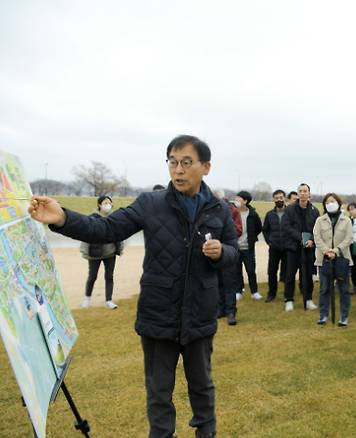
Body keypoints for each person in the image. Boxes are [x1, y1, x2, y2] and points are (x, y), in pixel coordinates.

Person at [28, 135, 238, 437]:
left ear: (206, 167)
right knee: (158, 393)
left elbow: (233, 250)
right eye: (172, 162)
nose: (177, 170)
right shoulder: (151, 204)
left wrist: (222, 253)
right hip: (158, 316)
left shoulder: (218, 210)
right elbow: (106, 228)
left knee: (202, 388)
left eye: (186, 163)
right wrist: (62, 218)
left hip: (200, 317)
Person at [313, 193, 353, 326]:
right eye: (327, 202)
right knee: (324, 289)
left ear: (338, 203)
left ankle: (344, 316)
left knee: (344, 289)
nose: (330, 204)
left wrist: (336, 251)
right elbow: (317, 237)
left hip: (342, 258)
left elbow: (348, 238)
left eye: (333, 201)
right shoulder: (320, 220)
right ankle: (323, 315)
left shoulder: (346, 220)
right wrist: (326, 251)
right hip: (324, 259)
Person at [79, 195, 123, 309]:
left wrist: (120, 249)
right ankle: (87, 299)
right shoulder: (92, 218)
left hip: (110, 253)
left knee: (109, 277)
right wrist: (85, 251)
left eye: (109, 203)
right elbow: (86, 235)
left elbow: (120, 234)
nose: (107, 205)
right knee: (92, 276)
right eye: (105, 203)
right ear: (99, 205)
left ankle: (109, 301)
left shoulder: (114, 218)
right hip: (94, 254)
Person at [282, 183, 320, 311]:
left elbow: (317, 229)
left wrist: (311, 240)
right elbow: (286, 227)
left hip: (309, 248)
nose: (303, 193)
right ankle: (289, 299)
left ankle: (308, 299)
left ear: (309, 193)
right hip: (293, 247)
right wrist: (300, 238)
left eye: (305, 191)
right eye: (300, 191)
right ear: (297, 193)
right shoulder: (290, 209)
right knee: (290, 275)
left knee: (308, 275)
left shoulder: (315, 211)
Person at [214, 189, 242, 326]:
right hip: (215, 252)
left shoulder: (233, 211)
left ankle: (231, 311)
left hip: (229, 251)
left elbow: (238, 230)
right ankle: (221, 309)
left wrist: (223, 231)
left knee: (229, 283)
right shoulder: (210, 211)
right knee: (217, 282)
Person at [234, 190, 263, 301]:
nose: (236, 200)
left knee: (251, 270)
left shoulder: (252, 214)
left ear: (245, 201)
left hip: (248, 248)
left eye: (239, 198)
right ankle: (238, 291)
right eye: (236, 198)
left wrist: (251, 237)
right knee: (237, 271)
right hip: (235, 247)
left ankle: (254, 292)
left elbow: (259, 227)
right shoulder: (233, 212)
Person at [263, 189, 288, 303]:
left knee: (288, 272)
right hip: (274, 248)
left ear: (285, 198)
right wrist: (270, 241)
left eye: (281, 197)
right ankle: (271, 294)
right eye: (277, 198)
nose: (279, 199)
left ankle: (288, 295)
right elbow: (265, 230)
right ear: (274, 199)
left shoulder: (290, 213)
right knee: (272, 271)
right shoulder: (269, 214)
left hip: (288, 248)